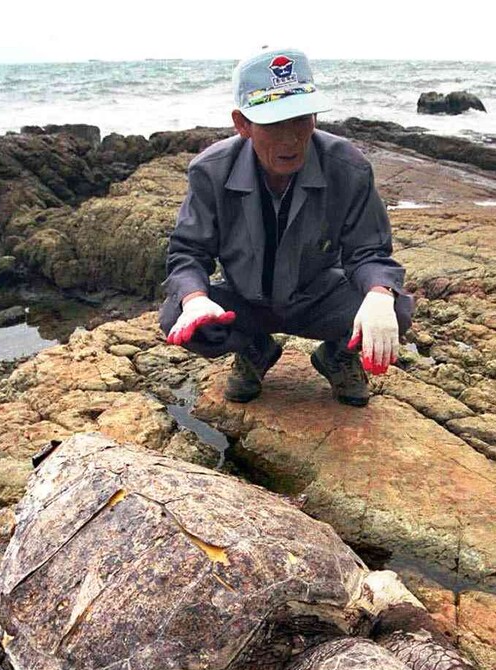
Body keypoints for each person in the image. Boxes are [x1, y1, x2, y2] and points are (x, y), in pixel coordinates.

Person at [159, 46, 414, 408]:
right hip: (245, 303)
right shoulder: (210, 170)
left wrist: (378, 293)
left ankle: (337, 357)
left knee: (395, 309)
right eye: (273, 122)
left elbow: (368, 251)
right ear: (242, 124)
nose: (290, 138)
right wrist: (196, 300)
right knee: (177, 316)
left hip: (318, 301)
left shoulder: (348, 167)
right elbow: (188, 252)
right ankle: (254, 349)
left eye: (300, 119)